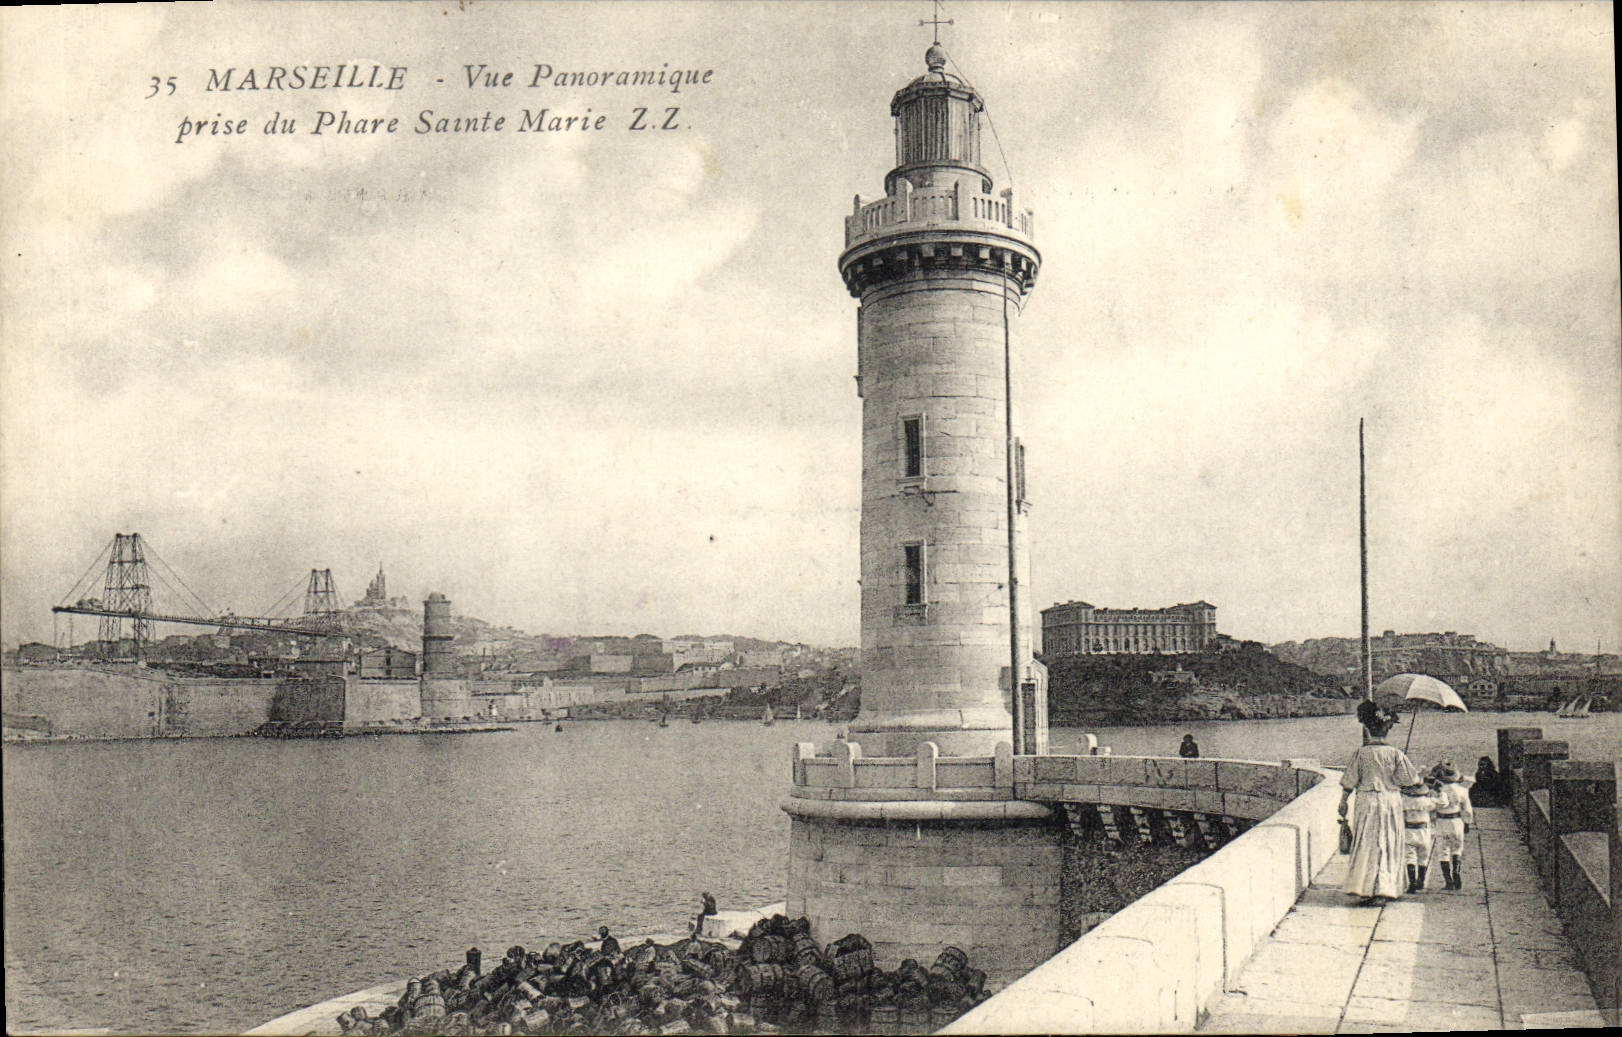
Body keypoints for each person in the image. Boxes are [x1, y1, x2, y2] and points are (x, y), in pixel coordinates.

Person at [1338, 700, 1425, 905]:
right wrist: (1418, 777)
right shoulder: (1395, 754)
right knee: (1387, 841)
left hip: (1366, 801)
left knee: (1367, 842)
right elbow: (1411, 782)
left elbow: (1349, 782)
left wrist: (1343, 802)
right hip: (1389, 801)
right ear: (1387, 730)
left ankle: (1365, 888)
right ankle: (1384, 889)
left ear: (1368, 729)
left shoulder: (1361, 753)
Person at [1429, 761, 1475, 889]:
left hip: (1442, 821)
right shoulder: (1462, 790)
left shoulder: (1437, 791)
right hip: (1457, 821)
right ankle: (1456, 871)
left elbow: (1432, 808)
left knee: (1443, 850)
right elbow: (1467, 810)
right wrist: (1467, 823)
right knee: (1457, 848)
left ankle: (1448, 881)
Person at [1401, 781, 1439, 893]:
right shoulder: (1428, 802)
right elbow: (1436, 810)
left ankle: (1412, 881)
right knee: (1423, 857)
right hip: (1424, 831)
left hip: (1409, 830)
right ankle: (1421, 880)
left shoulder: (1404, 802)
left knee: (1410, 856)